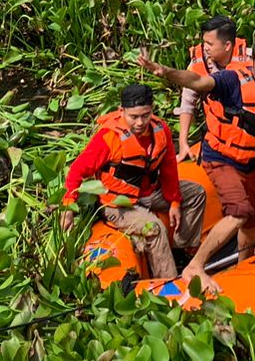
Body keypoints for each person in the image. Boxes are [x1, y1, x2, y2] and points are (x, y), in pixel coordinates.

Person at [138, 37, 255, 295]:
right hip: (221, 158)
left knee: (252, 220)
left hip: (250, 161)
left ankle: (244, 269)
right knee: (239, 211)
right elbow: (198, 81)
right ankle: (195, 266)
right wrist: (166, 72)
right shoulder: (233, 81)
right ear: (253, 62)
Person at [60, 83, 207, 279]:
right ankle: (168, 280)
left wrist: (174, 201)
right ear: (122, 111)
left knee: (197, 193)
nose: (140, 122)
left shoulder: (160, 129)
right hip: (118, 204)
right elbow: (77, 171)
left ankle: (182, 249)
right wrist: (69, 205)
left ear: (152, 109)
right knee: (154, 228)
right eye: (134, 117)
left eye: (145, 115)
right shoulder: (108, 138)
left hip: (151, 192)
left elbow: (169, 167)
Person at [177, 15, 251, 160]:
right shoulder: (198, 64)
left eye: (210, 44)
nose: (205, 48)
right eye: (204, 43)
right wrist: (183, 142)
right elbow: (187, 104)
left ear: (227, 46)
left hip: (249, 132)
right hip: (218, 134)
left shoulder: (252, 59)